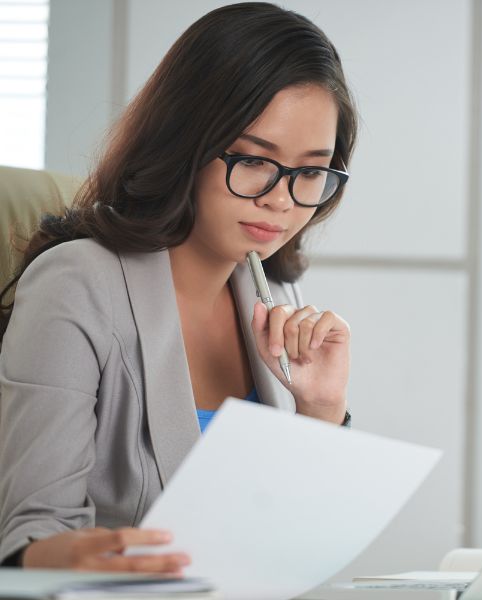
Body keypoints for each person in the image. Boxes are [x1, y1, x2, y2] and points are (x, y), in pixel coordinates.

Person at [0, 2, 357, 572]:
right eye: (253, 160)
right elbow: (33, 532)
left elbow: (292, 536)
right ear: (186, 143)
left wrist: (322, 409)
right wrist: (102, 558)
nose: (281, 200)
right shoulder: (77, 283)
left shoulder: (273, 294)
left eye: (311, 171)